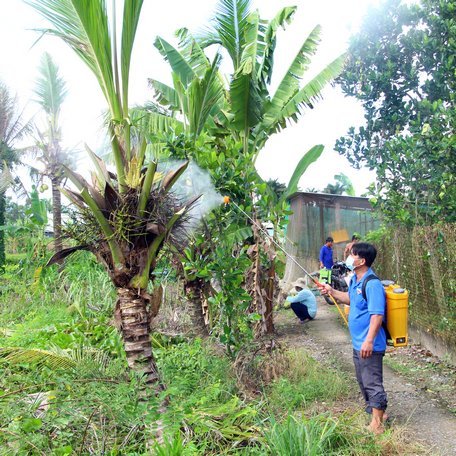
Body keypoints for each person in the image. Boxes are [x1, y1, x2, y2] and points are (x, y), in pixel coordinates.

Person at [320, 242, 388, 434]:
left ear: (362, 261)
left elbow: (377, 315)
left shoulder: (372, 283)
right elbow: (351, 299)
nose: (349, 257)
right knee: (362, 380)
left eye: (353, 254)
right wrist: (331, 292)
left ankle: (377, 425)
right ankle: (378, 413)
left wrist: (368, 340)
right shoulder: (357, 280)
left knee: (372, 381)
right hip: (358, 342)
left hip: (369, 344)